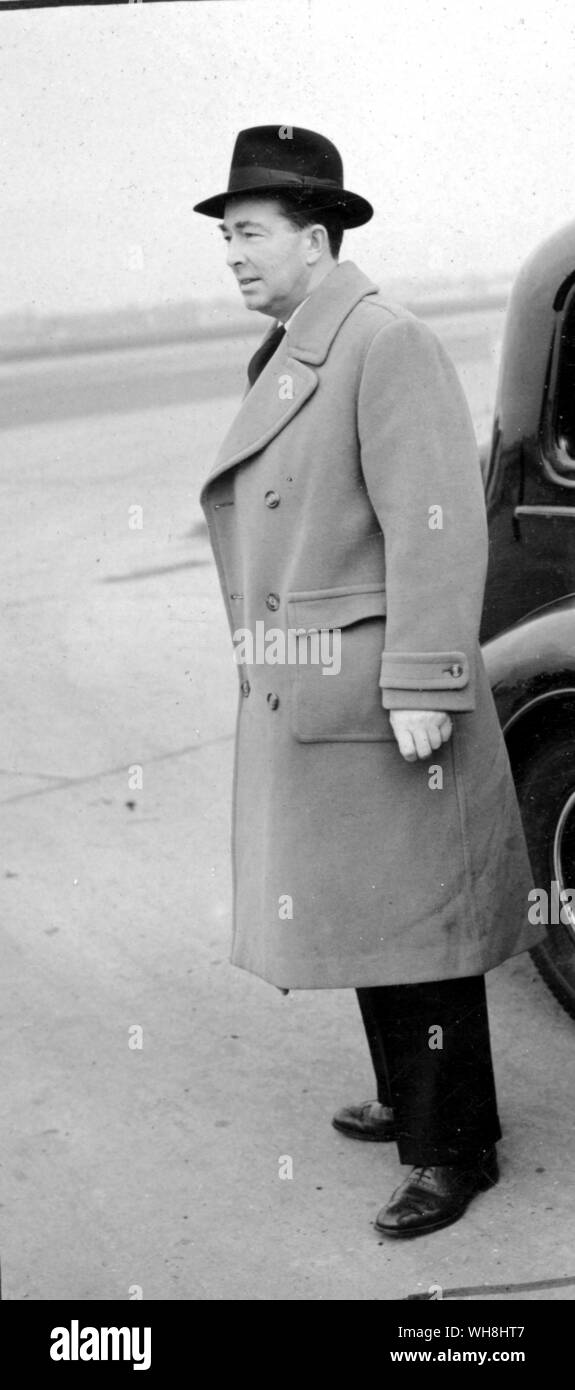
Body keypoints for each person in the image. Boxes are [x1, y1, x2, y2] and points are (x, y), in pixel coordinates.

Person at [195, 126, 543, 1237]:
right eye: (228, 239)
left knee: (422, 928)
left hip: (377, 694)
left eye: (250, 234)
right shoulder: (304, 341)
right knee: (364, 906)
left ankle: (455, 1149)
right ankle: (406, 1098)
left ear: (316, 235)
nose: (234, 256)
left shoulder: (378, 339)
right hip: (319, 691)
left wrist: (424, 685)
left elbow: (433, 523)